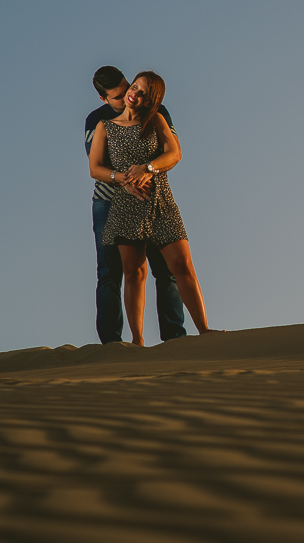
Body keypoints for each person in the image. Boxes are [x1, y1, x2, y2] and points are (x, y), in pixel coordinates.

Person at [88, 71, 216, 345]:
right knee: (126, 273)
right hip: (116, 203)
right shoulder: (100, 123)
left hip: (160, 201)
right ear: (104, 98)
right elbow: (95, 166)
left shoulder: (156, 117)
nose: (129, 97)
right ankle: (127, 343)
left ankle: (190, 335)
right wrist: (124, 180)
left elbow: (174, 152)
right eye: (123, 94)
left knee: (177, 267)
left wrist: (148, 169)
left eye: (134, 90)